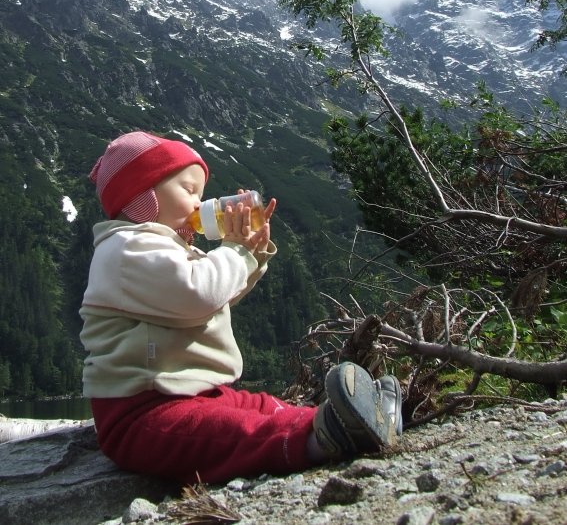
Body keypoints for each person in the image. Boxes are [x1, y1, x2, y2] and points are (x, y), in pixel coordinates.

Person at [80, 130, 403, 485]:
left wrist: (252, 252)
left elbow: (219, 293)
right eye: (188, 191)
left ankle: (351, 418)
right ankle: (326, 435)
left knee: (262, 406)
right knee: (235, 430)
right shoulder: (127, 248)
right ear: (142, 196)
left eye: (199, 194)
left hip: (190, 393)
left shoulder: (164, 249)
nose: (197, 204)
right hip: (141, 412)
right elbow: (200, 294)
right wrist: (236, 251)